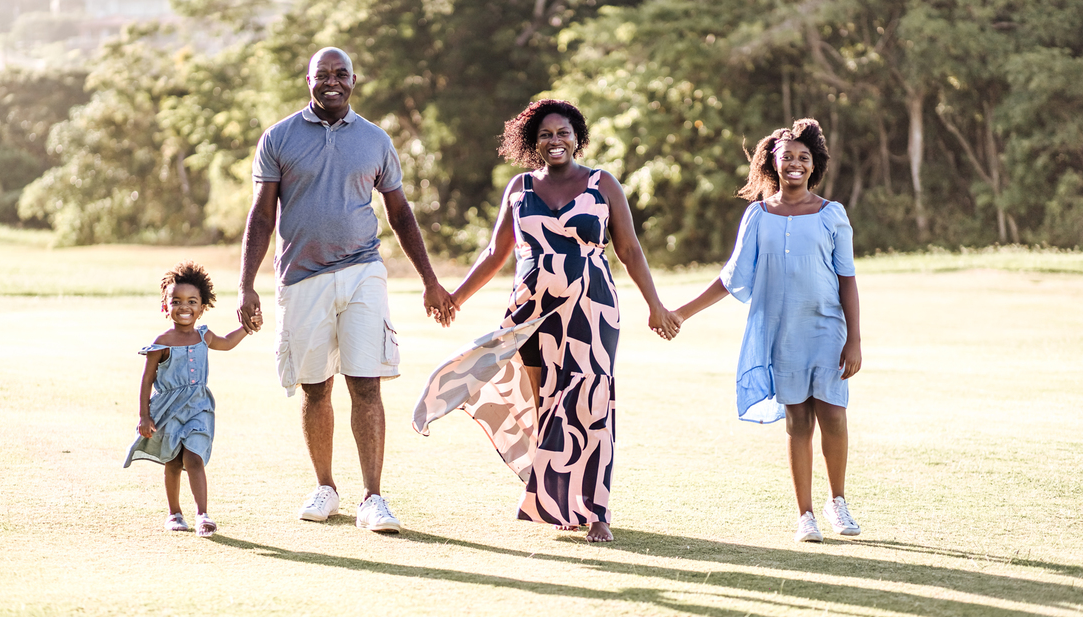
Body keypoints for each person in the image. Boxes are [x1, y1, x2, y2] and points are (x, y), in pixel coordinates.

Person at [412, 99, 679, 543]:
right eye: (545, 135)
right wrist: (455, 298)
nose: (555, 141)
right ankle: (561, 504)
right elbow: (495, 253)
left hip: (591, 307)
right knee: (547, 408)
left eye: (563, 133)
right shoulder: (520, 188)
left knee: (592, 403)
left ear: (578, 137)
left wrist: (655, 304)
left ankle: (596, 511)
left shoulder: (603, 184)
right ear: (532, 143)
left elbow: (630, 249)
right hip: (531, 311)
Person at [238, 47, 455, 535]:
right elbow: (262, 215)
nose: (332, 81)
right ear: (308, 80)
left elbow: (400, 213)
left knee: (366, 384)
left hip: (362, 271)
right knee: (315, 388)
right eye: (323, 75)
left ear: (354, 80)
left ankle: (373, 498)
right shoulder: (278, 137)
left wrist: (429, 280)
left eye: (341, 74)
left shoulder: (375, 140)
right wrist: (246, 284)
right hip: (301, 277)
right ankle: (325, 488)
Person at [672, 118, 863, 543]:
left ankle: (837, 501)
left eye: (803, 157)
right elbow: (732, 277)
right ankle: (805, 515)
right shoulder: (757, 215)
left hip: (828, 329)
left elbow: (847, 279)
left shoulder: (832, 214)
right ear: (772, 163)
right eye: (787, 157)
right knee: (798, 420)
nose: (795, 163)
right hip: (782, 332)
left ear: (814, 164)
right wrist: (682, 313)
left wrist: (854, 339)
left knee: (833, 415)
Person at [125, 261, 252, 537]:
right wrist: (144, 416)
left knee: (194, 457)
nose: (184, 307)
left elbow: (227, 342)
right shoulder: (161, 342)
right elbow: (146, 381)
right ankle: (174, 513)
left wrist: (247, 327)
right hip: (168, 410)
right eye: (176, 301)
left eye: (192, 301)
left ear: (202, 307)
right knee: (173, 461)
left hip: (198, 408)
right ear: (165, 306)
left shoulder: (204, 336)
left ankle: (202, 515)